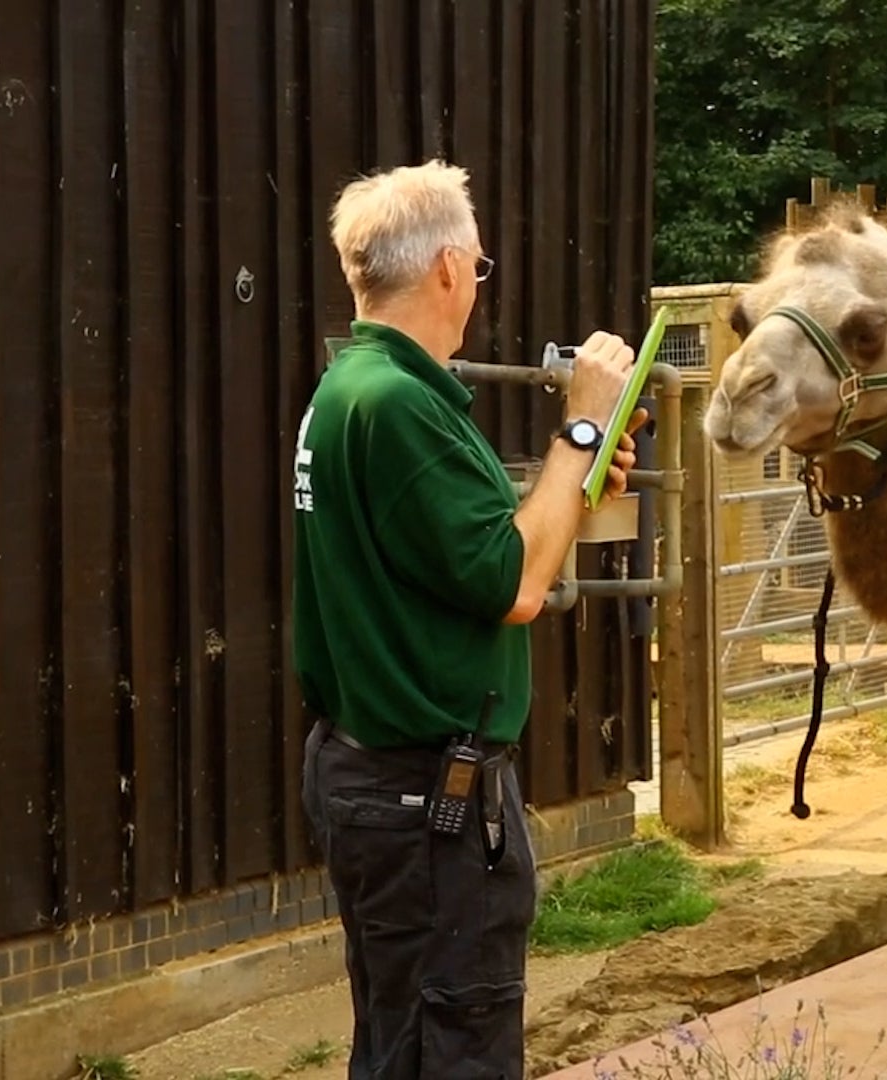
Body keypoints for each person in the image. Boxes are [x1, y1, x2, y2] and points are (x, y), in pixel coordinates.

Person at [291, 159, 646, 1079]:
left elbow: (483, 544)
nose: (477, 286)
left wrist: (578, 478)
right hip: (424, 800)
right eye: (480, 268)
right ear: (448, 269)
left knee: (400, 1037)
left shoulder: (359, 390)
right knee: (454, 1045)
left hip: (383, 780)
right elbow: (518, 583)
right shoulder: (399, 404)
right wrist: (579, 427)